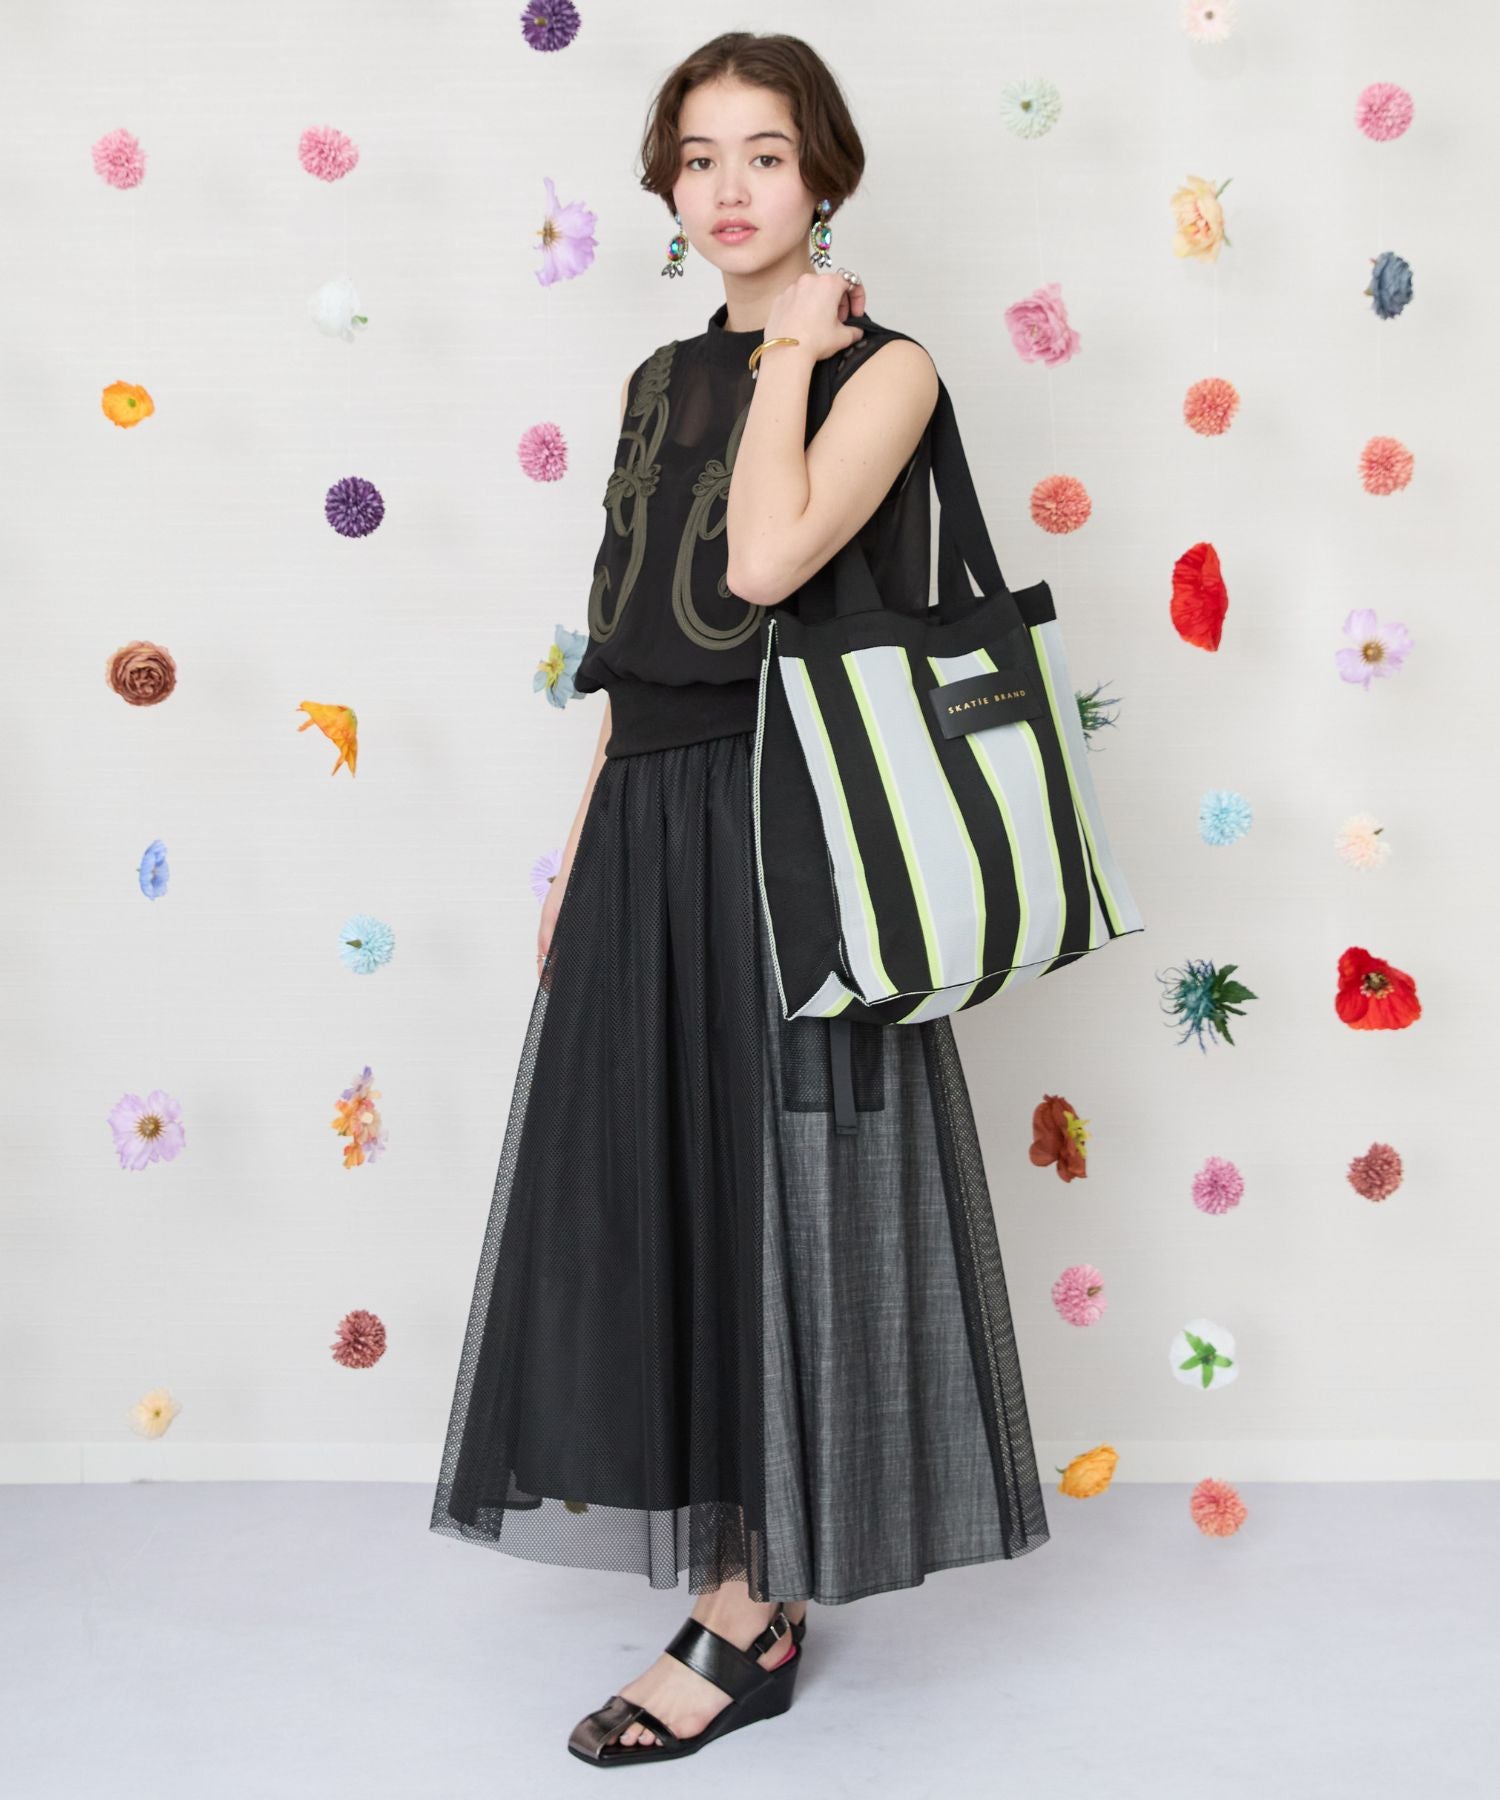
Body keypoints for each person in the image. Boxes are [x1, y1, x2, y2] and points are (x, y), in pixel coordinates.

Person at [429, 30, 1051, 1767]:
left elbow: (770, 562)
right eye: (698, 157)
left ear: (822, 176)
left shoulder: (888, 370)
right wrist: (582, 846)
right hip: (651, 818)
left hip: (792, 827)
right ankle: (736, 1570)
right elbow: (637, 645)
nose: (728, 187)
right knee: (674, 1184)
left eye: (764, 154)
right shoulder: (655, 378)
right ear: (666, 186)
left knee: (789, 1190)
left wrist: (789, 357)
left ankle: (750, 1604)